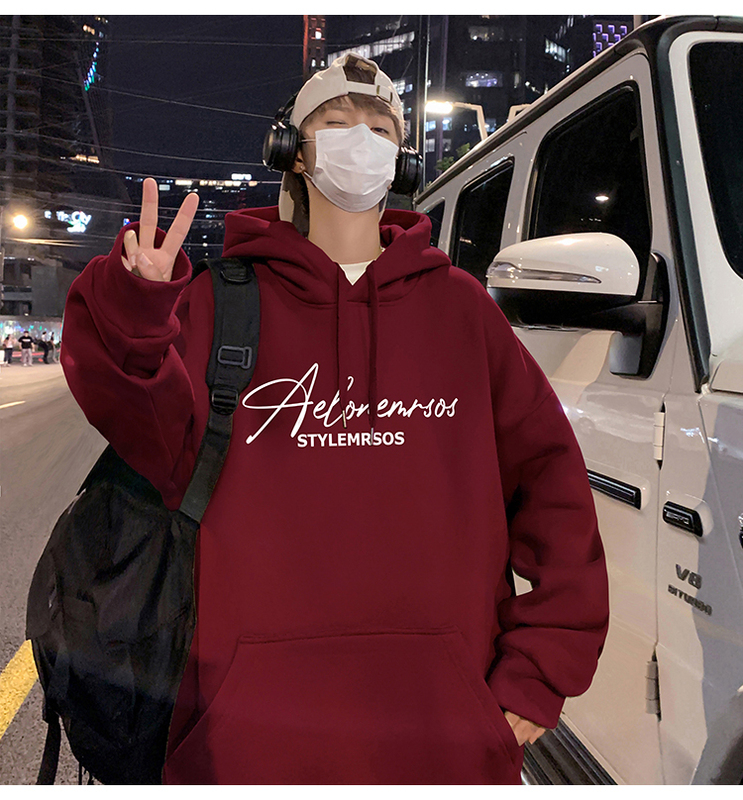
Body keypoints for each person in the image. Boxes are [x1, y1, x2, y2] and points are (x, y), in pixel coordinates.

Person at [61, 53, 609, 785]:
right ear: (293, 150)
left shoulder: (461, 310)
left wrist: (540, 668)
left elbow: (553, 488)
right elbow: (134, 416)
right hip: (244, 743)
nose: (361, 140)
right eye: (337, 122)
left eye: (380, 128)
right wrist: (135, 305)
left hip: (444, 737)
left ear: (402, 160)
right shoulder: (223, 303)